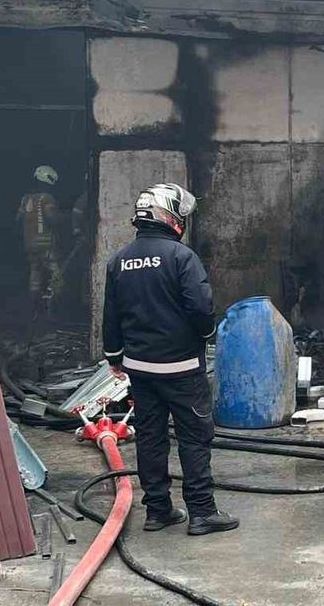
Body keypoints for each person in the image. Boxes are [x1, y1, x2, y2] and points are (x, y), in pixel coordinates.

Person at [102, 183, 239, 536]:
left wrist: (114, 356)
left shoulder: (119, 261)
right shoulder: (182, 257)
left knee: (150, 438)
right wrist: (206, 334)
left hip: (140, 370)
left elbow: (111, 316)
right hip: (182, 369)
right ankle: (202, 512)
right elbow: (201, 308)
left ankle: (158, 511)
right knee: (194, 438)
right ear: (170, 217)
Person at [17, 164, 61, 309]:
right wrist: (61, 218)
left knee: (35, 273)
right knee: (56, 273)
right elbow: (51, 218)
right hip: (46, 244)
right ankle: (56, 306)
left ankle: (34, 306)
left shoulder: (25, 199)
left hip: (29, 244)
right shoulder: (47, 198)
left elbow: (18, 218)